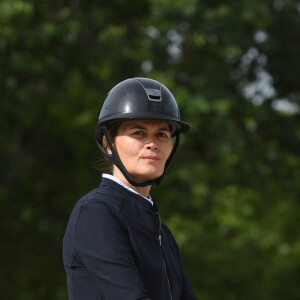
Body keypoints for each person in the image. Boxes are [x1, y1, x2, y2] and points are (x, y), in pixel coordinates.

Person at [63, 77, 198, 299]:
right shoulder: (96, 212)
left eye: (162, 134)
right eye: (138, 133)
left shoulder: (163, 232)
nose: (152, 143)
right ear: (109, 143)